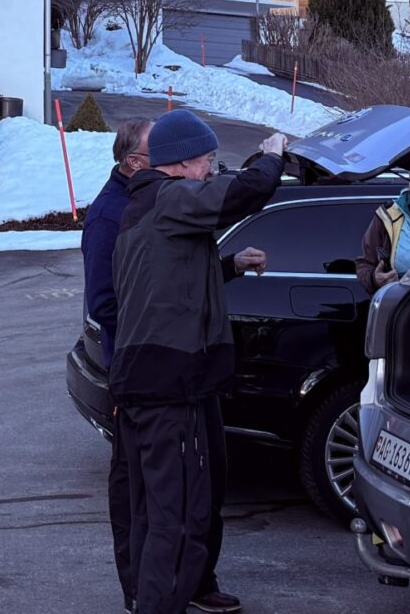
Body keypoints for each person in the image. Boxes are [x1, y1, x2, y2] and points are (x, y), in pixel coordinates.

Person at [111, 111, 289, 614]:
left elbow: (173, 283)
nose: (211, 169)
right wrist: (272, 158)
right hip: (168, 388)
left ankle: (158, 597)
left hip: (149, 382)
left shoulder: (148, 209)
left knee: (159, 510)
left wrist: (231, 265)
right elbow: (243, 193)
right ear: (182, 162)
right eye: (208, 160)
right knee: (176, 516)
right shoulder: (167, 198)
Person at [81, 118, 154, 608]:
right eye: (156, 151)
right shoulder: (110, 215)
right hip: (130, 367)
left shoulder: (148, 201)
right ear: (132, 163)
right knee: (132, 487)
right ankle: (136, 589)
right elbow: (103, 303)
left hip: (154, 366)